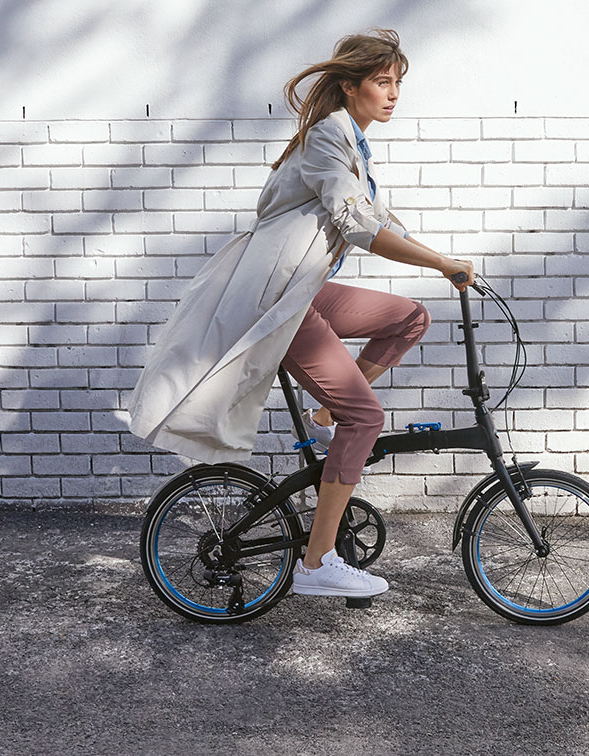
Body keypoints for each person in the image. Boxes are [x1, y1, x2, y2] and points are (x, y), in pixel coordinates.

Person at [118, 28, 474, 599]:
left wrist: (448, 262)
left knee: (409, 317)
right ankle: (317, 562)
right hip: (281, 299)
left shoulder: (352, 144)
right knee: (369, 419)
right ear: (350, 86)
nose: (393, 94)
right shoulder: (325, 141)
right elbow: (358, 224)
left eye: (398, 84)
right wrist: (438, 262)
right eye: (383, 82)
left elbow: (384, 219)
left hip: (303, 291)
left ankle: (328, 418)